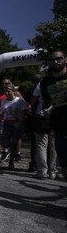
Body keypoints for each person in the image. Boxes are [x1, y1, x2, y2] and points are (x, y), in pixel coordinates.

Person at [39, 49, 67, 181]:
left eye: (59, 58)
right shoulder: (45, 83)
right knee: (64, 164)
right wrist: (46, 114)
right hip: (60, 125)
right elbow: (46, 101)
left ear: (65, 59)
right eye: (52, 59)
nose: (56, 61)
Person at [0, 84, 28, 170]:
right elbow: (3, 112)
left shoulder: (19, 101)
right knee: (5, 143)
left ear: (13, 92)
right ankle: (7, 151)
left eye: (8, 91)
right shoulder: (3, 101)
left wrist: (20, 122)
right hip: (7, 123)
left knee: (13, 144)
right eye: (5, 92)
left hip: (17, 124)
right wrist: (0, 118)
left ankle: (11, 162)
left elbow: (24, 113)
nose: (7, 93)